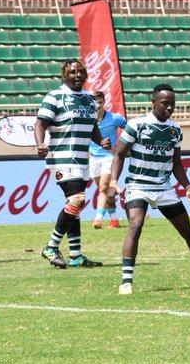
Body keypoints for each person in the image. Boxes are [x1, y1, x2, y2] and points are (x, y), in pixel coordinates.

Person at [108, 84, 190, 294]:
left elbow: (177, 164)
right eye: (165, 103)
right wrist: (113, 182)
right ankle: (126, 281)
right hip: (138, 186)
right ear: (153, 102)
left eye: (172, 104)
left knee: (187, 231)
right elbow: (119, 154)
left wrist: (188, 186)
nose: (169, 108)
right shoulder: (137, 125)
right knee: (136, 225)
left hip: (164, 188)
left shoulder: (175, 130)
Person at [36, 59, 110, 269]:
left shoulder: (89, 98)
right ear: (64, 75)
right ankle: (51, 246)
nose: (77, 75)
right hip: (62, 156)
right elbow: (41, 123)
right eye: (72, 72)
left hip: (81, 157)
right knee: (77, 199)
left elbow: (92, 126)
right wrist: (40, 143)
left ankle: (76, 255)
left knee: (74, 204)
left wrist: (101, 139)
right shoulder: (54, 96)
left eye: (81, 72)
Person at [89, 91, 127, 229]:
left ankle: (98, 219)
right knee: (107, 192)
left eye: (100, 102)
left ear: (104, 102)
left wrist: (120, 146)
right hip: (93, 158)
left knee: (103, 187)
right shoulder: (89, 119)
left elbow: (129, 129)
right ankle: (114, 219)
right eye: (95, 103)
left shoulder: (114, 118)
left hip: (109, 157)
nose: (98, 105)